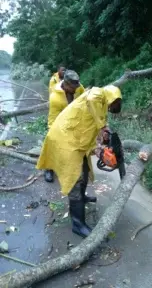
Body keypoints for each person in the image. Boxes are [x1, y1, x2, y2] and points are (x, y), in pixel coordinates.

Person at [36, 85, 122, 238]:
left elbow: (90, 128)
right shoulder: (97, 93)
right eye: (112, 105)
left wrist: (100, 145)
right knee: (75, 178)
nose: (110, 108)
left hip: (76, 139)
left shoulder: (101, 107)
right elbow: (92, 101)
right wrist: (102, 127)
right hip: (65, 140)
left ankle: (82, 198)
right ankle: (77, 223)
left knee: (85, 170)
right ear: (111, 97)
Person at [45, 70, 85, 183]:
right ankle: (49, 169)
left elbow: (84, 98)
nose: (74, 90)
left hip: (74, 119)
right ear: (65, 85)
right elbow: (53, 119)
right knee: (53, 144)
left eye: (76, 87)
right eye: (72, 88)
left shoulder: (78, 87)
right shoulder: (55, 98)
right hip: (59, 121)